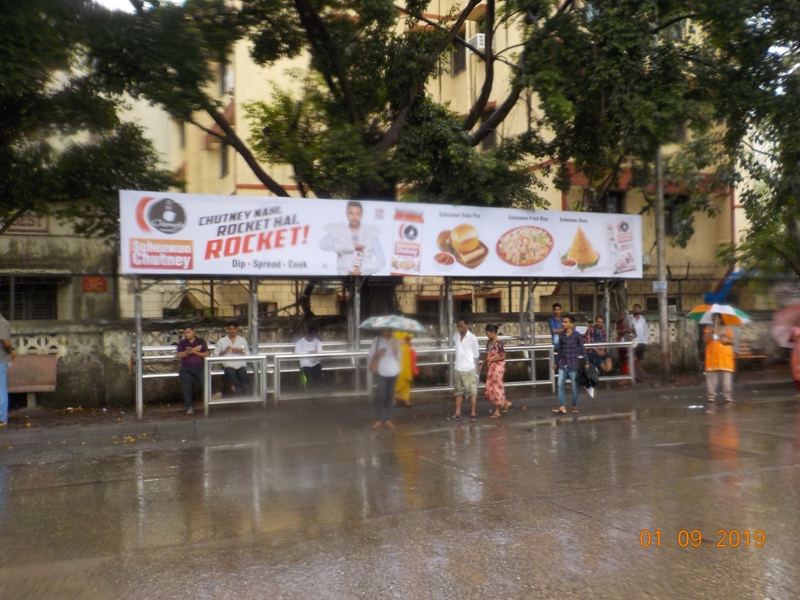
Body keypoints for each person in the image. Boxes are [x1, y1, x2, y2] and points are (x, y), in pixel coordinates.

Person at [320, 200, 385, 275]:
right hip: (343, 278)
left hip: (364, 279)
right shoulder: (338, 230)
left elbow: (382, 260)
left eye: (357, 214)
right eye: (351, 213)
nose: (354, 217)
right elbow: (323, 244)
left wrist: (362, 271)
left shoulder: (371, 233)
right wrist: (351, 246)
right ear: (346, 214)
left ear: (361, 215)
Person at [552, 314, 590, 415]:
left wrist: (586, 362)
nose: (563, 324)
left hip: (573, 365)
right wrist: (556, 363)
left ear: (571, 324)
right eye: (563, 322)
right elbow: (560, 351)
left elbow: (582, 349)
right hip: (563, 364)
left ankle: (574, 406)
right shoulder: (562, 335)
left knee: (574, 387)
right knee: (560, 385)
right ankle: (562, 406)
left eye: (566, 322)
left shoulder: (577, 335)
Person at [448, 316, 480, 422]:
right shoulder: (456, 336)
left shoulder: (472, 338)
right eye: (458, 326)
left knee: (472, 391)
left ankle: (473, 412)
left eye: (461, 326)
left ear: (467, 325)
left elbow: (476, 355)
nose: (459, 328)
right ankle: (458, 412)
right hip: (458, 367)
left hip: (468, 368)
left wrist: (475, 370)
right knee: (458, 391)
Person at [368, 328, 401, 428]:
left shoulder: (396, 340)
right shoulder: (377, 340)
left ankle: (388, 419)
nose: (385, 333)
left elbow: (399, 357)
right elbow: (370, 354)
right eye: (383, 331)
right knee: (381, 395)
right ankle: (378, 419)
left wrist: (394, 347)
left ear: (390, 331)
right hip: (382, 371)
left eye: (387, 331)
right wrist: (378, 353)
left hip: (394, 371)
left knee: (390, 396)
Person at [176, 325, 210, 415]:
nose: (186, 334)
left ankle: (210, 399)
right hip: (186, 368)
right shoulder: (182, 343)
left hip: (199, 367)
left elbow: (207, 354)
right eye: (185, 333)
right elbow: (179, 355)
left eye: (188, 332)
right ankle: (189, 406)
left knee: (204, 382)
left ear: (193, 331)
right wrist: (192, 351)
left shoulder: (200, 341)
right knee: (187, 385)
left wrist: (194, 352)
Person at [480, 324, 511, 418]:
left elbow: (503, 356)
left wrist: (492, 360)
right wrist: (482, 364)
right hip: (491, 367)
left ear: (493, 332)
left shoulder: (499, 343)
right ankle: (505, 403)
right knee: (491, 387)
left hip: (497, 368)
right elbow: (487, 355)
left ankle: (497, 411)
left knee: (497, 387)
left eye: (488, 333)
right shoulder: (489, 343)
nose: (487, 335)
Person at [703, 313, 735, 402]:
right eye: (713, 319)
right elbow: (705, 340)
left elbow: (732, 341)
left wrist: (726, 340)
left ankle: (727, 396)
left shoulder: (727, 328)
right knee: (711, 377)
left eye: (716, 319)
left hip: (724, 357)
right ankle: (711, 395)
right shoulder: (708, 328)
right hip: (712, 356)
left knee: (726, 378)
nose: (715, 320)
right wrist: (711, 332)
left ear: (720, 319)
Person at [214, 322, 251, 396]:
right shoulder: (222, 341)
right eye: (230, 329)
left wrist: (240, 351)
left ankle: (245, 394)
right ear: (227, 330)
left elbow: (248, 354)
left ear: (237, 329)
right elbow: (215, 354)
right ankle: (240, 394)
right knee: (233, 378)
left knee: (243, 377)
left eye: (234, 329)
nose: (232, 331)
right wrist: (225, 351)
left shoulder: (242, 340)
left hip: (240, 363)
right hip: (228, 364)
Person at [294, 326, 324, 390]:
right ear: (307, 333)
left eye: (313, 335)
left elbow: (320, 357)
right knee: (309, 378)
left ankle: (320, 391)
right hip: (305, 363)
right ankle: (310, 392)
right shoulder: (299, 343)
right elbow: (297, 355)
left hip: (315, 362)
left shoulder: (318, 343)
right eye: (310, 335)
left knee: (319, 377)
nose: (311, 337)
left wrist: (315, 355)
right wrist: (308, 353)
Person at [0, 304, 15, 428]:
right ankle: (2, 418)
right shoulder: (2, 323)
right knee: (1, 389)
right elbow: (5, 342)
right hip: (1, 358)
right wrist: (11, 352)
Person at [394, 333, 418, 408]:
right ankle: (394, 397)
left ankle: (406, 398)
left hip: (406, 356)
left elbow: (409, 339)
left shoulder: (407, 331)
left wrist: (407, 340)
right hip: (397, 357)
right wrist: (402, 341)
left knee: (406, 378)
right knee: (397, 377)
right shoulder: (393, 331)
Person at [616, 309, 636, 375]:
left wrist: (624, 331)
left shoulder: (630, 322)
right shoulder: (619, 322)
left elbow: (632, 331)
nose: (621, 316)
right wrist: (625, 331)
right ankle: (623, 372)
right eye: (620, 314)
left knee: (628, 357)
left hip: (628, 341)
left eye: (623, 314)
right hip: (620, 342)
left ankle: (629, 373)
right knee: (621, 357)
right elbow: (618, 332)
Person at [632, 304, 649, 376]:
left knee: (639, 359)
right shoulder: (629, 318)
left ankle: (637, 375)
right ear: (633, 309)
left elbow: (645, 331)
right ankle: (632, 375)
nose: (636, 309)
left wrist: (645, 342)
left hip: (641, 342)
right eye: (635, 308)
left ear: (640, 310)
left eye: (638, 308)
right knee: (632, 358)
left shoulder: (643, 319)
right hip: (632, 342)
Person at [790, 327, 800, 397]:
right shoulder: (795, 330)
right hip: (797, 351)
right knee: (796, 370)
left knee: (797, 371)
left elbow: (790, 340)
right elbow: (790, 340)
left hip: (797, 351)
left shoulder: (795, 330)